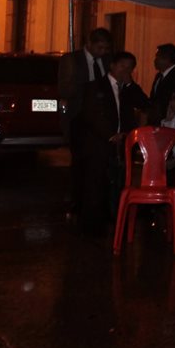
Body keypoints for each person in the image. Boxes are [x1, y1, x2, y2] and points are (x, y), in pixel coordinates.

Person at [79, 51, 149, 233]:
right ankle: (93, 226)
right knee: (96, 183)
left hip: (122, 144)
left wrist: (130, 84)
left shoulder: (128, 89)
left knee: (118, 183)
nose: (125, 70)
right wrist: (110, 134)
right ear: (112, 65)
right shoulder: (95, 87)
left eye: (129, 68)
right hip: (100, 142)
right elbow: (91, 114)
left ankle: (117, 221)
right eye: (122, 66)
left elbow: (145, 104)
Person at [58, 27, 112, 225]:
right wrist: (86, 90)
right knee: (80, 162)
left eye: (105, 48)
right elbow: (64, 88)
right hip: (79, 117)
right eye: (99, 48)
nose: (102, 52)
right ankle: (77, 202)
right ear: (89, 43)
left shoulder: (106, 60)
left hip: (101, 118)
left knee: (99, 162)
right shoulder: (72, 60)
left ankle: (96, 203)